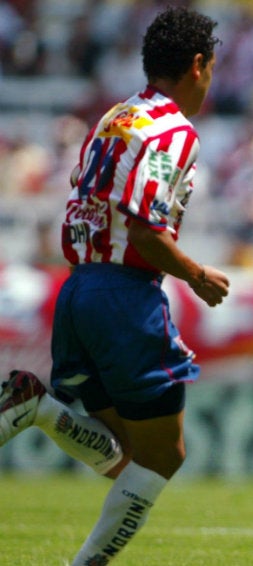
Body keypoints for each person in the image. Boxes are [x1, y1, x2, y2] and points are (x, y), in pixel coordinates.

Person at [0, 7, 228, 565]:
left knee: (123, 454)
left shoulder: (114, 117)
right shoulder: (175, 131)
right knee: (163, 456)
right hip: (125, 296)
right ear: (197, 65)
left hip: (77, 289)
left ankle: (37, 406)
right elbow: (147, 231)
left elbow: (85, 193)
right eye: (212, 68)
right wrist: (197, 276)